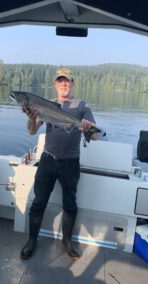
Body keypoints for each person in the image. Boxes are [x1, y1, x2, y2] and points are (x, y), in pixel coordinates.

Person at [21, 68, 98, 260]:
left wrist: (89, 129)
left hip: (70, 163)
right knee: (38, 202)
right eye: (60, 81)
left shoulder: (82, 106)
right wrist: (31, 119)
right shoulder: (45, 105)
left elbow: (95, 135)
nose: (64, 84)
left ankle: (67, 241)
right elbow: (31, 131)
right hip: (47, 161)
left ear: (72, 83)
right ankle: (32, 240)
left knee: (70, 204)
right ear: (55, 84)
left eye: (67, 81)